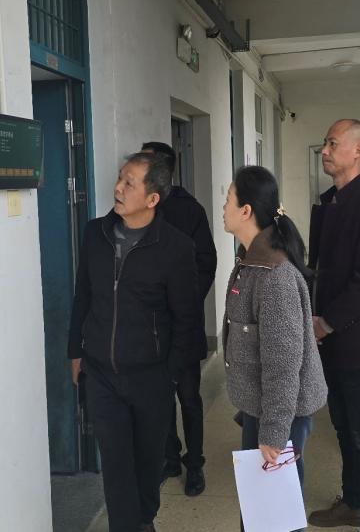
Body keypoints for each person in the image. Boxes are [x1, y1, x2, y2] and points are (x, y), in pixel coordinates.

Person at [67, 152, 198, 532]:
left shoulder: (175, 247)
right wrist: (75, 351)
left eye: (129, 183)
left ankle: (143, 519)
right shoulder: (95, 233)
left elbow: (187, 318)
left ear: (152, 198)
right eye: (119, 178)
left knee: (147, 460)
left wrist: (170, 373)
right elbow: (82, 296)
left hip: (150, 375)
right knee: (115, 462)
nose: (118, 188)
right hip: (101, 373)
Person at [222, 166, 328, 532]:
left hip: (282, 412)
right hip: (263, 406)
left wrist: (273, 432)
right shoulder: (251, 262)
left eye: (228, 200)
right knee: (260, 511)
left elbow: (284, 364)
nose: (223, 208)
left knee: (274, 516)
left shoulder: (274, 277)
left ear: (246, 211)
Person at [307, 120, 360, 532]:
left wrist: (325, 323)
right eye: (324, 143)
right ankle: (353, 502)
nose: (324, 150)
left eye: (332, 143)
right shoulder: (330, 202)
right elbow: (321, 270)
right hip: (330, 342)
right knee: (343, 429)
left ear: (357, 151)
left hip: (357, 342)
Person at [140, 141, 217, 497]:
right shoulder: (141, 206)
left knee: (189, 396)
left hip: (183, 322)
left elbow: (207, 262)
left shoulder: (190, 210)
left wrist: (183, 300)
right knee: (160, 395)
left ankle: (195, 463)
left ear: (163, 169)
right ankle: (170, 458)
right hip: (150, 324)